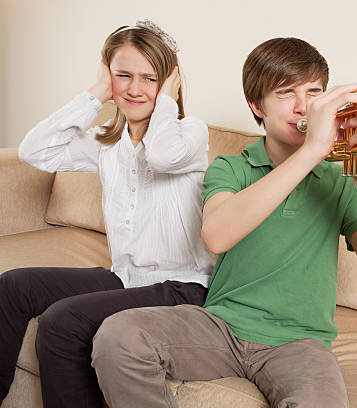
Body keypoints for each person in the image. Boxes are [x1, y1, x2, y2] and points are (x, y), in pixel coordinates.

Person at [91, 37, 357, 407]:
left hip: (301, 343)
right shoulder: (231, 168)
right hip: (220, 326)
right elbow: (217, 236)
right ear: (256, 106)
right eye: (285, 92)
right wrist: (313, 150)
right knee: (118, 335)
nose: (303, 105)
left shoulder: (338, 181)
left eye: (314, 91)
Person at [0, 20, 214, 408]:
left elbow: (163, 155)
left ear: (169, 84)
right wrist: (96, 93)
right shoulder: (106, 144)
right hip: (125, 279)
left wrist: (166, 100)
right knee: (13, 286)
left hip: (183, 288)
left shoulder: (191, 134)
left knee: (61, 322)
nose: (135, 88)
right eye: (123, 76)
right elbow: (35, 151)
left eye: (150, 78)